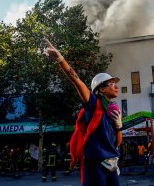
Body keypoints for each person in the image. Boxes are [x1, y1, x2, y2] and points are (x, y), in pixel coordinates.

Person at [45, 39, 122, 186]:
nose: (116, 87)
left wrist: (119, 127)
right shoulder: (93, 103)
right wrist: (60, 58)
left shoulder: (113, 110)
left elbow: (116, 144)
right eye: (112, 84)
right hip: (95, 165)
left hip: (112, 164)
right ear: (102, 89)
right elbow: (76, 80)